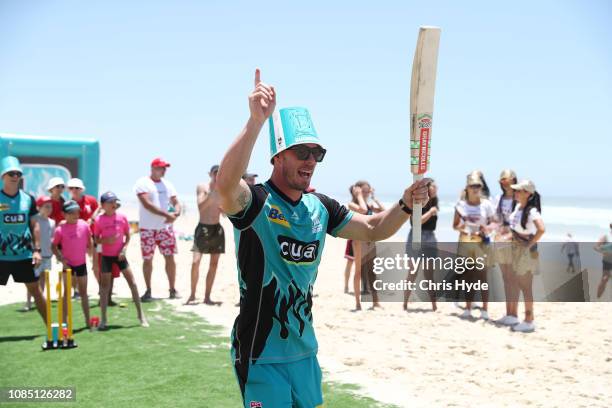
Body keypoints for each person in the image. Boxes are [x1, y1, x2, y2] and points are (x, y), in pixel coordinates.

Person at [216, 70, 429, 408]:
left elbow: (374, 228)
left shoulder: (321, 207)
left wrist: (405, 203)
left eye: (317, 153)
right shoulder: (256, 203)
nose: (311, 160)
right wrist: (256, 121)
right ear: (278, 156)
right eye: (302, 152)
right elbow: (225, 186)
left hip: (305, 351)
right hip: (260, 352)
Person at [0, 156, 47, 325]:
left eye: (18, 174)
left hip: (24, 255)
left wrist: (37, 250)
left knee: (36, 291)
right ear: (2, 176)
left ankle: (52, 329)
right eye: (11, 173)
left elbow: (35, 226)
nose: (15, 176)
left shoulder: (28, 199)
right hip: (1, 256)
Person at [93, 192, 148, 328]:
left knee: (133, 283)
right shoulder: (99, 220)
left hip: (120, 256)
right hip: (106, 257)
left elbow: (128, 237)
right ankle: (104, 320)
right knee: (105, 288)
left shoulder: (122, 218)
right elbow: (96, 240)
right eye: (110, 202)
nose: (113, 204)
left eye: (114, 201)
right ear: (103, 205)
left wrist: (124, 250)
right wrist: (106, 240)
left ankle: (141, 316)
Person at [134, 157, 182, 301]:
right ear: (153, 168)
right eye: (161, 168)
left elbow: (176, 201)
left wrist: (177, 213)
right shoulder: (143, 183)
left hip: (165, 228)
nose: (164, 170)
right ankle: (148, 290)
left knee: (170, 258)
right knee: (148, 259)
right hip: (147, 228)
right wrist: (168, 214)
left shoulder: (168, 185)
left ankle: (172, 289)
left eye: (165, 168)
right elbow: (147, 204)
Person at [453, 172, 495, 320]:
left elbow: (494, 222)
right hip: (465, 244)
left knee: (483, 278)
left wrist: (486, 229)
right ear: (467, 188)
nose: (475, 188)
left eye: (478, 185)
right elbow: (455, 225)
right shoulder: (461, 205)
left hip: (481, 244)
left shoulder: (487, 204)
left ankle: (484, 310)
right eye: (472, 186)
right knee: (468, 278)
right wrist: (462, 228)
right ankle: (468, 308)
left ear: (481, 187)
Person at [508, 180, 545, 333]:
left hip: (525, 252)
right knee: (519, 284)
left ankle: (529, 320)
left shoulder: (532, 211)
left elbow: (541, 229)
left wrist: (528, 245)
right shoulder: (518, 207)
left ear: (528, 194)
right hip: (516, 249)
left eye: (519, 191)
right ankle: (526, 318)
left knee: (526, 286)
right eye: (515, 190)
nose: (516, 193)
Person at [186, 165, 225, 305]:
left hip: (217, 229)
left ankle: (207, 296)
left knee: (213, 264)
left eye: (219, 173)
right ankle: (192, 295)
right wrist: (213, 193)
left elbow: (225, 214)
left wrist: (224, 206)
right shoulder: (203, 187)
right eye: (215, 173)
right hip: (202, 228)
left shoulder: (223, 190)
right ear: (210, 174)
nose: (217, 175)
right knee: (195, 262)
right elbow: (200, 206)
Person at [51, 200, 92, 329]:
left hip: (82, 265)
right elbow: (53, 246)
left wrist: (91, 256)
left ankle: (87, 322)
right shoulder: (60, 229)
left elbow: (89, 242)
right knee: (67, 294)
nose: (75, 215)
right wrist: (61, 259)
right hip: (67, 266)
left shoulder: (84, 225)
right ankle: (64, 322)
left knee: (84, 293)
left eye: (77, 212)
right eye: (71, 212)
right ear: (64, 214)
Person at [403, 179, 439, 311]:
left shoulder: (435, 201)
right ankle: (405, 304)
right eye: (434, 187)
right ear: (428, 189)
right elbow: (415, 222)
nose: (437, 189)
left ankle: (434, 305)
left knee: (429, 274)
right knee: (412, 273)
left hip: (430, 238)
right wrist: (430, 213)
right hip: (416, 236)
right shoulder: (417, 201)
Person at [492, 169, 520, 326]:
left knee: (513, 278)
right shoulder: (498, 199)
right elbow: (495, 220)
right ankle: (508, 312)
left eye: (506, 179)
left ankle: (514, 313)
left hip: (515, 241)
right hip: (501, 240)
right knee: (505, 278)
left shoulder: (520, 197)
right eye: (501, 179)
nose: (504, 182)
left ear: (513, 179)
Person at [24, 196, 55, 311]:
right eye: (46, 206)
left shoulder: (52, 222)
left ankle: (39, 301)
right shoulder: (34, 219)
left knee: (43, 278)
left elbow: (52, 239)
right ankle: (28, 302)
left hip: (47, 255)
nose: (49, 209)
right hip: (35, 255)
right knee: (32, 279)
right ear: (39, 207)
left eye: (50, 206)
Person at [595, 223, 612, 298]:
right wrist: (604, 252)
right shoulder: (605, 237)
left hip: (607, 260)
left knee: (605, 278)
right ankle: (598, 298)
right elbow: (596, 247)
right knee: (605, 279)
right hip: (607, 260)